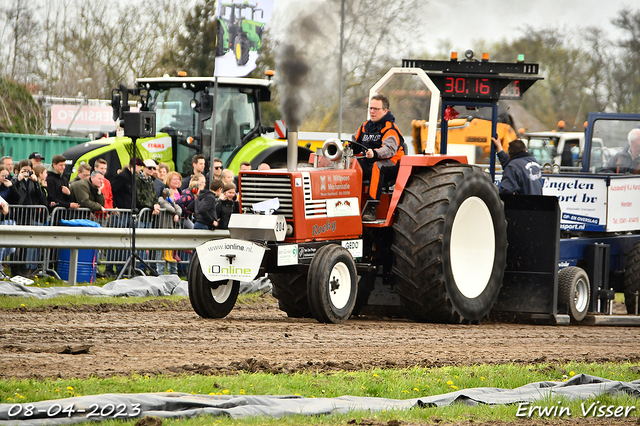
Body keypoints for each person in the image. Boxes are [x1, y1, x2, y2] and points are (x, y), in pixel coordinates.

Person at [351, 93, 405, 221]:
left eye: (376, 109)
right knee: (351, 165)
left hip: (392, 163)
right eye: (370, 108)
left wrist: (375, 153)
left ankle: (371, 208)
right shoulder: (365, 126)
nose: (372, 111)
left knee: (377, 167)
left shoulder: (389, 128)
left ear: (385, 111)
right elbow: (355, 144)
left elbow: (390, 149)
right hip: (370, 159)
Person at [156, 188, 182, 274]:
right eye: (172, 196)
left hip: (171, 229)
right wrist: (175, 211)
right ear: (167, 197)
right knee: (162, 252)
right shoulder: (162, 202)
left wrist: (177, 213)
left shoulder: (172, 203)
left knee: (172, 251)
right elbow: (171, 209)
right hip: (163, 229)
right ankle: (160, 271)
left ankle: (173, 271)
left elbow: (179, 209)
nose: (174, 198)